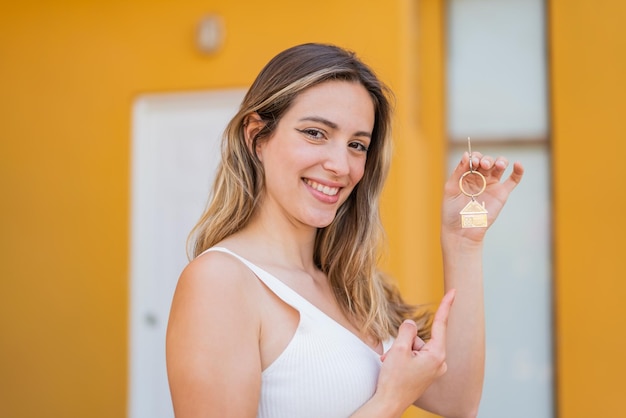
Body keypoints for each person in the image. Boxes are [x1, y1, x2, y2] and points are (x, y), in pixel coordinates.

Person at [166, 43, 524, 418]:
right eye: (316, 133)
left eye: (357, 145)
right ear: (257, 136)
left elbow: (457, 401)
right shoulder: (219, 281)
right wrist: (389, 400)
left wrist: (463, 240)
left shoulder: (353, 287)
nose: (340, 165)